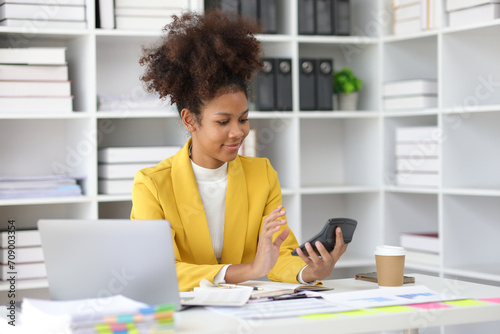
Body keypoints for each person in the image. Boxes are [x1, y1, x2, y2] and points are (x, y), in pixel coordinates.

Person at [130, 10, 348, 291]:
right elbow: (158, 269)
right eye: (223, 122)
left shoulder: (262, 175)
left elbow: (280, 253)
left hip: (244, 313)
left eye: (243, 119)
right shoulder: (152, 185)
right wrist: (249, 270)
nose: (238, 132)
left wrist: (309, 270)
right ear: (189, 120)